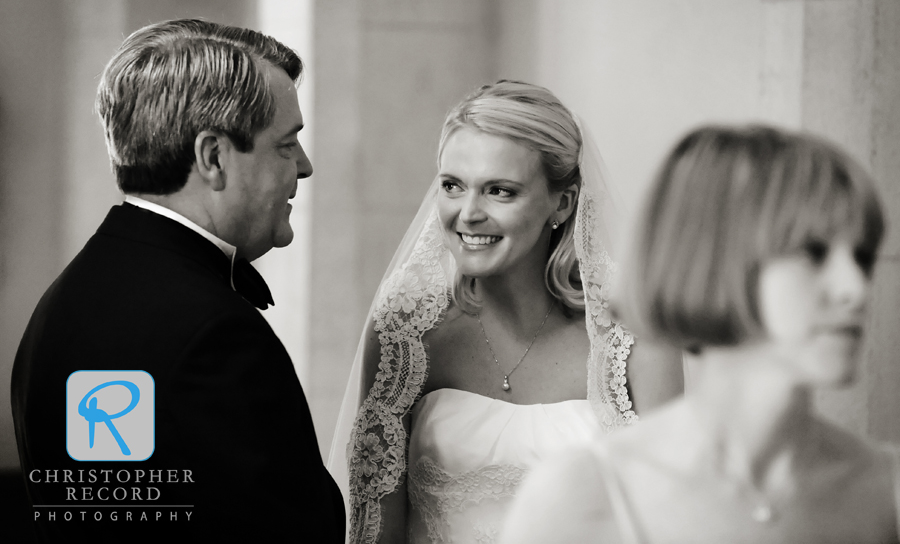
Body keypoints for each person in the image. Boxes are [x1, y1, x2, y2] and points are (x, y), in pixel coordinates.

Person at [11, 19, 344, 542]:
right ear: (213, 157)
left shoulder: (72, 297)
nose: (303, 167)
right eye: (286, 144)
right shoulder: (212, 336)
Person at [501, 125, 899, 543]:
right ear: (717, 259)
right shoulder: (582, 497)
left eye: (863, 256)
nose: (856, 288)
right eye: (815, 253)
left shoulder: (887, 492)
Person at [328, 80, 683, 543]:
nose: (468, 214)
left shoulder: (635, 334)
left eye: (500, 191)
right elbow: (376, 528)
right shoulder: (407, 327)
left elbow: (673, 519)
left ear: (563, 202)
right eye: (453, 186)